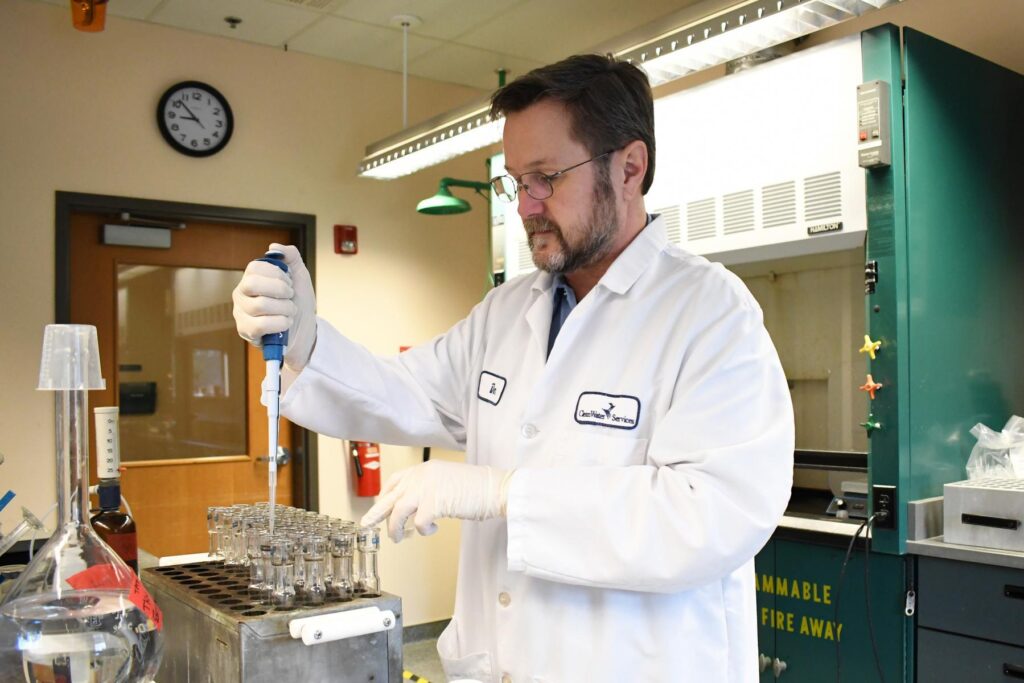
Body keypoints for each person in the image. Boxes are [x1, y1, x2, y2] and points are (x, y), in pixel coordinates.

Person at [233, 54, 793, 682]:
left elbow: (708, 515)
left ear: (630, 168)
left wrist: (502, 494)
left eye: (545, 178)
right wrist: (307, 342)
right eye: (516, 182)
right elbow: (404, 392)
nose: (525, 207)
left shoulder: (708, 312)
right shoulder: (506, 311)